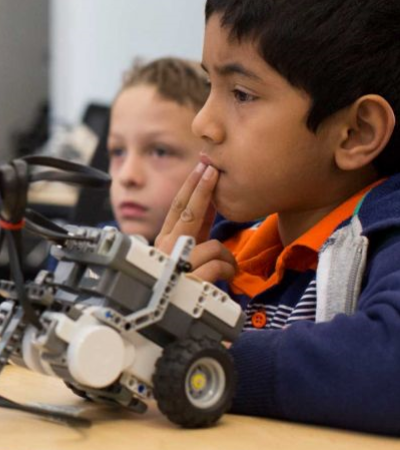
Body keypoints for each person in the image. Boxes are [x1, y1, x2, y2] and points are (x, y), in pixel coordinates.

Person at [154, 0, 400, 435]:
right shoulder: (224, 250)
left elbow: (388, 364)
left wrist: (189, 355)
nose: (202, 123)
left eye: (242, 94)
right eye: (209, 83)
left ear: (356, 132)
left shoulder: (385, 236)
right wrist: (151, 306)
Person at [107, 57, 209, 243]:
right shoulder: (77, 252)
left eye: (160, 152)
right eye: (118, 152)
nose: (127, 176)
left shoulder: (242, 261)